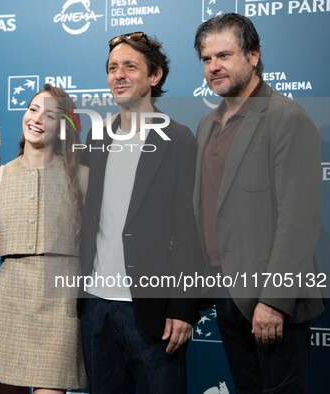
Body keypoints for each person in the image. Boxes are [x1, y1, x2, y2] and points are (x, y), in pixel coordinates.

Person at [192, 13, 324, 393]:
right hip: (224, 292)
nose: (214, 66)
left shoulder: (286, 118)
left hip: (268, 299)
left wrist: (275, 300)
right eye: (206, 59)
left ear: (253, 55)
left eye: (224, 55)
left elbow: (299, 221)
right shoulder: (206, 125)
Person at [78, 32, 203, 393]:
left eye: (130, 66)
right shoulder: (96, 137)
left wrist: (183, 307)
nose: (119, 75)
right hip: (95, 308)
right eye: (113, 67)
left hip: (152, 310)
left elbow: (189, 228)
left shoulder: (179, 140)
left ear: (155, 76)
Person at [0, 84, 88, 394]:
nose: (36, 119)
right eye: (33, 109)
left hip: (61, 299)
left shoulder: (83, 176)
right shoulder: (0, 176)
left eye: (49, 115)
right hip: (9, 294)